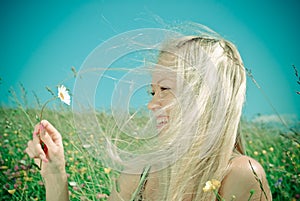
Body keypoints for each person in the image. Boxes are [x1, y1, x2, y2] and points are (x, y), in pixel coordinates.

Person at [25, 25, 272, 201]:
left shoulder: (241, 174)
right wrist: (56, 175)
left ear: (205, 96)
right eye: (151, 93)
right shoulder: (141, 171)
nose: (152, 105)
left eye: (165, 89)